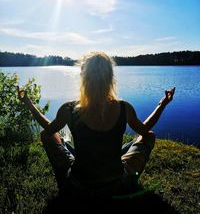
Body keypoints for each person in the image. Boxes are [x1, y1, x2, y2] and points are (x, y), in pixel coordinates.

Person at [17, 51, 175, 199]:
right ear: (110, 78)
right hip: (118, 186)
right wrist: (162, 104)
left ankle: (64, 177)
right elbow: (145, 130)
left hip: (77, 187)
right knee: (147, 137)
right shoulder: (124, 107)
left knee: (48, 135)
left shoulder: (69, 109)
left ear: (84, 77)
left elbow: (49, 130)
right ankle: (121, 171)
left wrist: (28, 103)